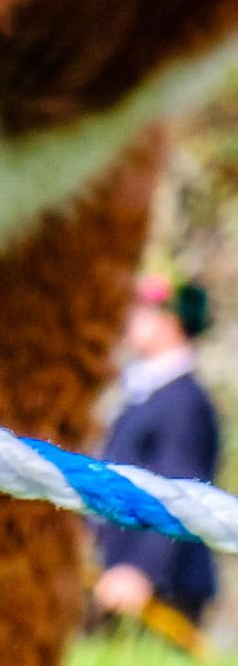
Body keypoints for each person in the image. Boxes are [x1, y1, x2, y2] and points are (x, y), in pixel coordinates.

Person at [94, 275, 221, 643]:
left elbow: (180, 490)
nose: (130, 317)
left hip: (161, 592)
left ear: (171, 322)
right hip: (116, 580)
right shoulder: (143, 393)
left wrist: (142, 571)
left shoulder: (185, 403)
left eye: (142, 309)